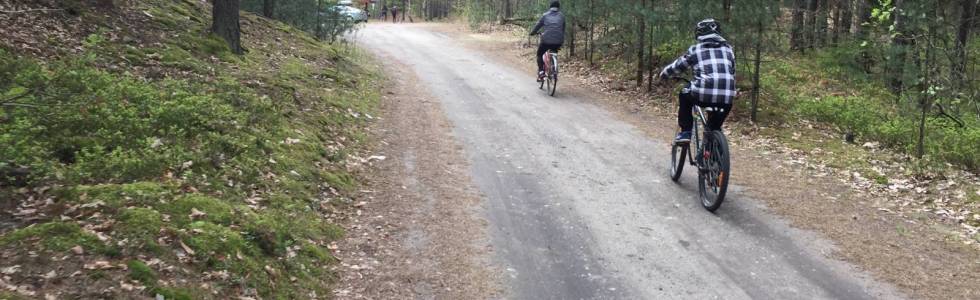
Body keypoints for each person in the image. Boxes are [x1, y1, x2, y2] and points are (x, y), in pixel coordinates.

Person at [658, 19, 736, 143]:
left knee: (684, 94)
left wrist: (664, 74)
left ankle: (685, 132)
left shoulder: (696, 49)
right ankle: (716, 153)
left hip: (702, 93)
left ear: (700, 33)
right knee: (714, 127)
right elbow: (732, 72)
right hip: (727, 97)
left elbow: (679, 65)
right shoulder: (728, 50)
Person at [529, 0, 565, 82]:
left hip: (546, 41)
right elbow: (563, 29)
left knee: (539, 54)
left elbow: (538, 25)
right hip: (558, 41)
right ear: (558, 7)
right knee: (554, 50)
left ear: (550, 7)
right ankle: (554, 68)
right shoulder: (562, 16)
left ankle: (541, 72)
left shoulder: (545, 15)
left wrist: (532, 33)